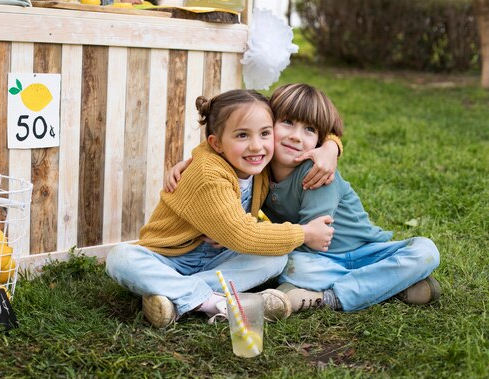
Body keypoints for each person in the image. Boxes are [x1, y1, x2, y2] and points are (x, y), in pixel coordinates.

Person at [167, 83, 441, 314]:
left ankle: (328, 298)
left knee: (425, 250)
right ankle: (390, 286)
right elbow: (230, 131)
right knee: (290, 267)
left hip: (364, 252)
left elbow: (315, 238)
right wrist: (196, 159)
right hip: (315, 263)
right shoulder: (258, 167)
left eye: (309, 130)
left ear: (320, 141)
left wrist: (331, 147)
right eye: (286, 122)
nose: (296, 137)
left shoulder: (317, 171)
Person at [105, 89, 337, 328]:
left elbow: (323, 128)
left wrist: (331, 147)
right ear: (216, 144)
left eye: (265, 133)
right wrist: (305, 233)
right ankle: (212, 301)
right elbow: (242, 235)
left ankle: (173, 293)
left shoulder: (260, 163)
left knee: (275, 258)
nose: (256, 146)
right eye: (242, 136)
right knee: (121, 258)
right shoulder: (208, 175)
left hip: (218, 257)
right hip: (170, 257)